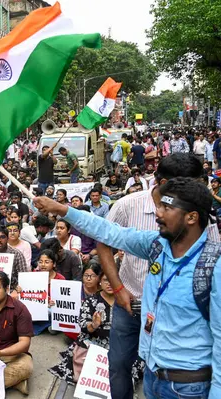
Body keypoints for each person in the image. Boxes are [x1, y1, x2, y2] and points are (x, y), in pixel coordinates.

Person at [33, 178, 220, 399]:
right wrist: (62, 209)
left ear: (192, 217)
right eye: (159, 205)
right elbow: (108, 231)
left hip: (189, 387)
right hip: (153, 376)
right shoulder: (156, 245)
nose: (158, 213)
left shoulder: (214, 267)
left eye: (167, 208)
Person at [94, 153, 219, 399]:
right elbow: (104, 238)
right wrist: (118, 289)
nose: (195, 193)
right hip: (130, 305)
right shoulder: (128, 204)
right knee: (118, 365)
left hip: (176, 318)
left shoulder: (200, 214)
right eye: (187, 187)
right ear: (163, 184)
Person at [49, 270, 143, 386]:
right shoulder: (91, 301)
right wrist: (93, 325)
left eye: (112, 281)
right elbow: (83, 324)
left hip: (121, 343)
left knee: (126, 371)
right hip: (94, 342)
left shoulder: (127, 301)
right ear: (100, 283)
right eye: (105, 280)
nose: (109, 284)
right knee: (88, 372)